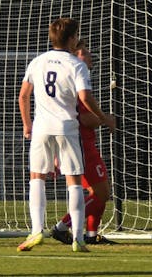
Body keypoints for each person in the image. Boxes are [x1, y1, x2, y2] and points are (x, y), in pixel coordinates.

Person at [17, 18, 116, 253]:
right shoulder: (75, 64)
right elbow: (84, 97)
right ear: (72, 39)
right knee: (73, 181)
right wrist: (103, 117)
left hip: (41, 127)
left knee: (37, 178)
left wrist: (27, 125)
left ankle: (36, 231)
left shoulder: (37, 61)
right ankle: (78, 239)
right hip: (66, 128)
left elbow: (23, 96)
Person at [51, 39, 116, 246]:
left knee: (98, 193)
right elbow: (85, 118)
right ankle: (62, 227)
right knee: (100, 192)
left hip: (81, 144)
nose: (90, 56)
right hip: (82, 146)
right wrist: (105, 119)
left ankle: (90, 234)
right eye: (85, 52)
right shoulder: (76, 80)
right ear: (75, 56)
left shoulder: (73, 79)